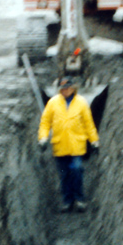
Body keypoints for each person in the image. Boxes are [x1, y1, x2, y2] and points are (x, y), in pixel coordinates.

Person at [38, 77, 100, 213]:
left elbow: (89, 124)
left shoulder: (81, 103)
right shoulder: (53, 103)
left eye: (67, 88)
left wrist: (94, 141)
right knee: (64, 175)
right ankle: (67, 201)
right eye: (62, 89)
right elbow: (45, 122)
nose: (65, 91)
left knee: (77, 170)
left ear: (73, 88)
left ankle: (79, 199)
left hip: (76, 147)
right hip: (60, 147)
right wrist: (42, 138)